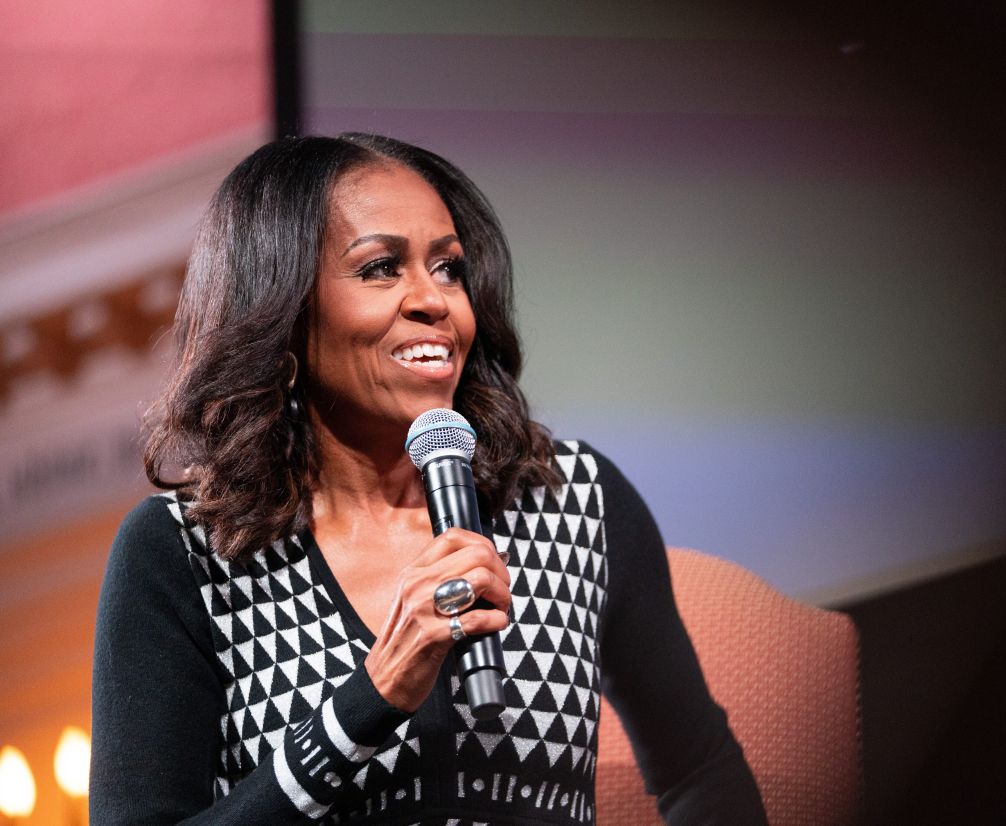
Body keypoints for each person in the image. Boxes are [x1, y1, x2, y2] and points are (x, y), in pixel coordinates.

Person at [89, 133, 767, 825]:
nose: (433, 300)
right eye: (381, 268)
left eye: (447, 269)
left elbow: (702, 774)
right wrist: (370, 698)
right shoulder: (188, 554)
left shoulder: (575, 501)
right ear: (284, 315)